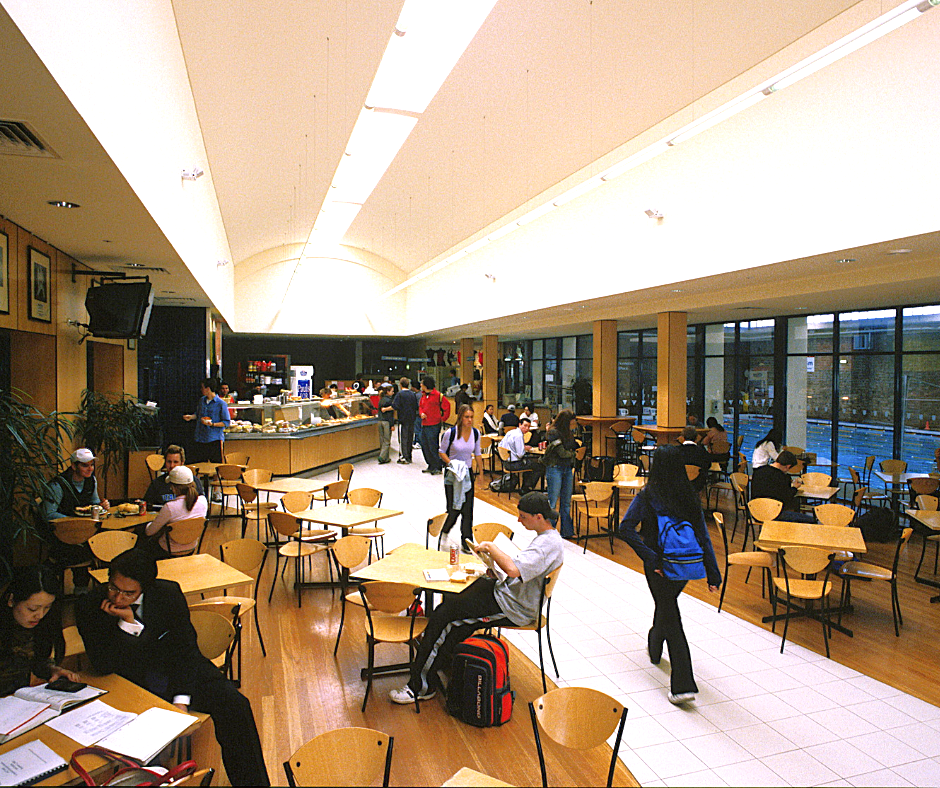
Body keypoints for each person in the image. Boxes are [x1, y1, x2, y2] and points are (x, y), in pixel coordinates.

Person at [76, 550, 269, 786]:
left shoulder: (167, 594)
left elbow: (186, 649)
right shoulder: (90, 606)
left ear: (145, 588)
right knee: (141, 736)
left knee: (235, 705)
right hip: (131, 681)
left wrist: (181, 700)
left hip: (178, 670)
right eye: (113, 588)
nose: (118, 598)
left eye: (129, 593)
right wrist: (128, 625)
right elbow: (103, 665)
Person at [390, 492, 564, 704]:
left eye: (523, 516)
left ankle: (419, 687)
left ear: (539, 517)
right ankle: (441, 661)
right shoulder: (547, 538)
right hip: (509, 594)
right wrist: (495, 570)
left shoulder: (548, 545)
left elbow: (513, 569)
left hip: (514, 607)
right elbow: (521, 570)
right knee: (454, 600)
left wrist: (491, 548)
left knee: (443, 616)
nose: (519, 520)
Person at [618, 445, 721, 705]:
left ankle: (683, 685)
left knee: (670, 616)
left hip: (658, 566)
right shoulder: (690, 495)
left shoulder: (648, 495)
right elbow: (703, 537)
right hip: (684, 565)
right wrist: (713, 573)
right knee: (667, 606)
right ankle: (654, 647)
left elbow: (626, 528)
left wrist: (650, 557)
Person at [0, 566, 78, 696]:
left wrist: (51, 670)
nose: (40, 615)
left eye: (47, 607)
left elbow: (34, 660)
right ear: (11, 600)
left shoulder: (39, 625)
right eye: (32, 609)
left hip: (17, 699)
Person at [41, 448, 109, 591]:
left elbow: (94, 502)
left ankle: (85, 587)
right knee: (87, 547)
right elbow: (49, 514)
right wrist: (74, 520)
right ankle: (78, 588)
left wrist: (102, 506)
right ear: (73, 466)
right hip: (60, 532)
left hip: (83, 530)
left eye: (91, 465)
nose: (90, 469)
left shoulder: (91, 480)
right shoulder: (58, 484)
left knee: (104, 541)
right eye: (85, 465)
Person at [439, 404, 482, 547]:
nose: (469, 420)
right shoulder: (450, 433)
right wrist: (451, 463)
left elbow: (477, 453)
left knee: (468, 509)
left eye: (471, 417)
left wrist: (481, 473)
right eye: (466, 417)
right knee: (454, 508)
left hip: (467, 473)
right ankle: (444, 530)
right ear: (460, 418)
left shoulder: (475, 433)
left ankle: (467, 539)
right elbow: (441, 452)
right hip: (453, 474)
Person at [144, 466, 209, 556]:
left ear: (173, 488)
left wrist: (148, 525)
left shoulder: (170, 507)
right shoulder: (203, 501)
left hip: (168, 549)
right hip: (191, 547)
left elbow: (149, 532)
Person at [750, 450, 815, 522]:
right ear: (788, 466)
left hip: (755, 513)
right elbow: (786, 498)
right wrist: (794, 488)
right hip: (773, 514)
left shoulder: (758, 471)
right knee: (811, 520)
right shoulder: (783, 477)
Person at [543, 409, 579, 539]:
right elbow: (562, 453)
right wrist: (574, 454)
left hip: (567, 468)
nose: (574, 424)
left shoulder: (568, 432)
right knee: (552, 502)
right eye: (572, 422)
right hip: (555, 468)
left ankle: (567, 531)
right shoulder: (553, 432)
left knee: (566, 502)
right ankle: (548, 533)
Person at [183, 378, 231, 464]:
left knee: (215, 465)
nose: (201, 389)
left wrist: (212, 424)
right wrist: (191, 417)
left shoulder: (221, 403)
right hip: (200, 437)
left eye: (202, 387)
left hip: (214, 438)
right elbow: (198, 415)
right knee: (201, 463)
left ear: (208, 388)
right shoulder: (202, 400)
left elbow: (226, 422)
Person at [142, 445, 203, 511]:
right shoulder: (156, 483)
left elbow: (201, 505)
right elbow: (147, 504)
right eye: (169, 462)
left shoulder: (193, 481)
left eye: (175, 462)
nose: (172, 465)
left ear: (182, 463)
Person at [502, 417, 543, 493]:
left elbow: (502, 445)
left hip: (505, 462)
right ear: (519, 425)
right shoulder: (519, 435)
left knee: (529, 463)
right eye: (525, 425)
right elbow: (520, 455)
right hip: (513, 464)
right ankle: (527, 487)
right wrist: (525, 450)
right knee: (538, 466)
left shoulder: (511, 432)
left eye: (528, 427)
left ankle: (525, 487)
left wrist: (523, 447)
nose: (527, 428)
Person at [418, 376, 450, 475]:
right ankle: (430, 464)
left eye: (422, 383)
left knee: (433, 445)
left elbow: (447, 407)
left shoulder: (438, 395)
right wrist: (421, 413)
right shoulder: (423, 395)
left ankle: (437, 466)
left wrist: (442, 419)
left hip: (434, 424)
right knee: (424, 445)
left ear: (426, 385)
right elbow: (420, 406)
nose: (420, 385)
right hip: (425, 423)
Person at [392, 377, 420, 464]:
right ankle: (409, 456)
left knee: (403, 438)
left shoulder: (399, 394)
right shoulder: (413, 394)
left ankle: (403, 457)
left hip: (403, 419)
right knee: (410, 438)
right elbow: (416, 406)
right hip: (412, 419)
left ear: (400, 385)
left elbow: (395, 406)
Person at [678, 426, 710, 493]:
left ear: (683, 437)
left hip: (680, 482)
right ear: (696, 438)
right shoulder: (702, 452)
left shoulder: (675, 451)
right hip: (697, 483)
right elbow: (708, 465)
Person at [377, 383, 395, 464]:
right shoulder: (389, 401)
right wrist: (392, 424)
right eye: (392, 391)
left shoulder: (381, 400)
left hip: (380, 420)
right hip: (387, 422)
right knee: (387, 440)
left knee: (382, 439)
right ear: (388, 392)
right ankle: (382, 457)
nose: (393, 393)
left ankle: (386, 457)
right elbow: (390, 415)